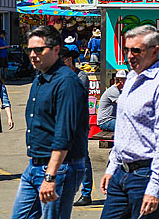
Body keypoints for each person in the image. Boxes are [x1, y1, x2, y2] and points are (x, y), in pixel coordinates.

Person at [100, 25, 159, 219]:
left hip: (145, 175)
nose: (130, 55)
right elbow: (123, 128)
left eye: (136, 50)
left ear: (154, 51)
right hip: (122, 171)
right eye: (127, 50)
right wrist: (112, 167)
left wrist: (155, 187)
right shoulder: (130, 78)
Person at [10, 25, 88, 219]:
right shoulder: (40, 78)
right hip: (35, 164)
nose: (33, 55)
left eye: (39, 49)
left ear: (56, 50)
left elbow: (64, 133)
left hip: (59, 168)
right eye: (30, 50)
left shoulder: (67, 82)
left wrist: (51, 175)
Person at [61, 48, 96, 208]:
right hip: (61, 123)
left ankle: (86, 193)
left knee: (82, 157)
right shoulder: (59, 75)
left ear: (69, 60)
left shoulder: (80, 76)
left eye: (61, 60)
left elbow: (72, 97)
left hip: (77, 123)